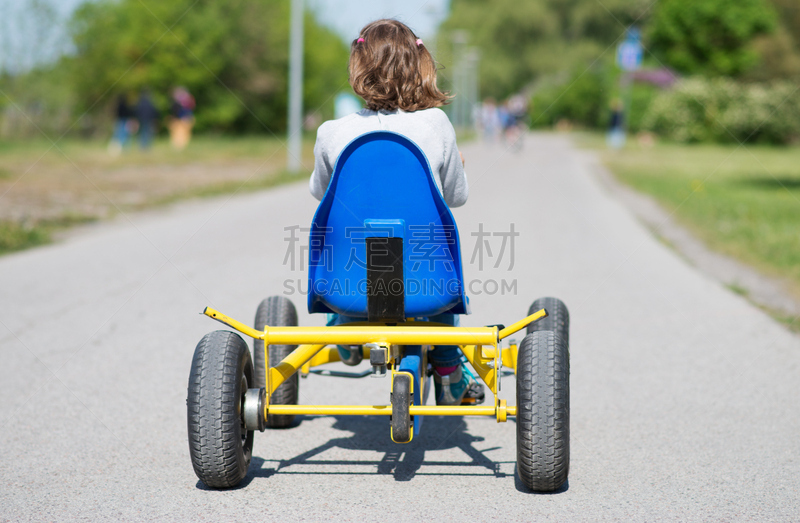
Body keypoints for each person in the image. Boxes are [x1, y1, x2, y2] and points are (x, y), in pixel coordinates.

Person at [309, 19, 482, 406]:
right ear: (420, 64)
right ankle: (449, 370)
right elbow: (457, 197)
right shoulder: (436, 124)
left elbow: (320, 193)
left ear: (357, 68)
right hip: (426, 286)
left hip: (347, 287)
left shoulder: (330, 131)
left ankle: (348, 329)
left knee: (369, 249)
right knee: (429, 254)